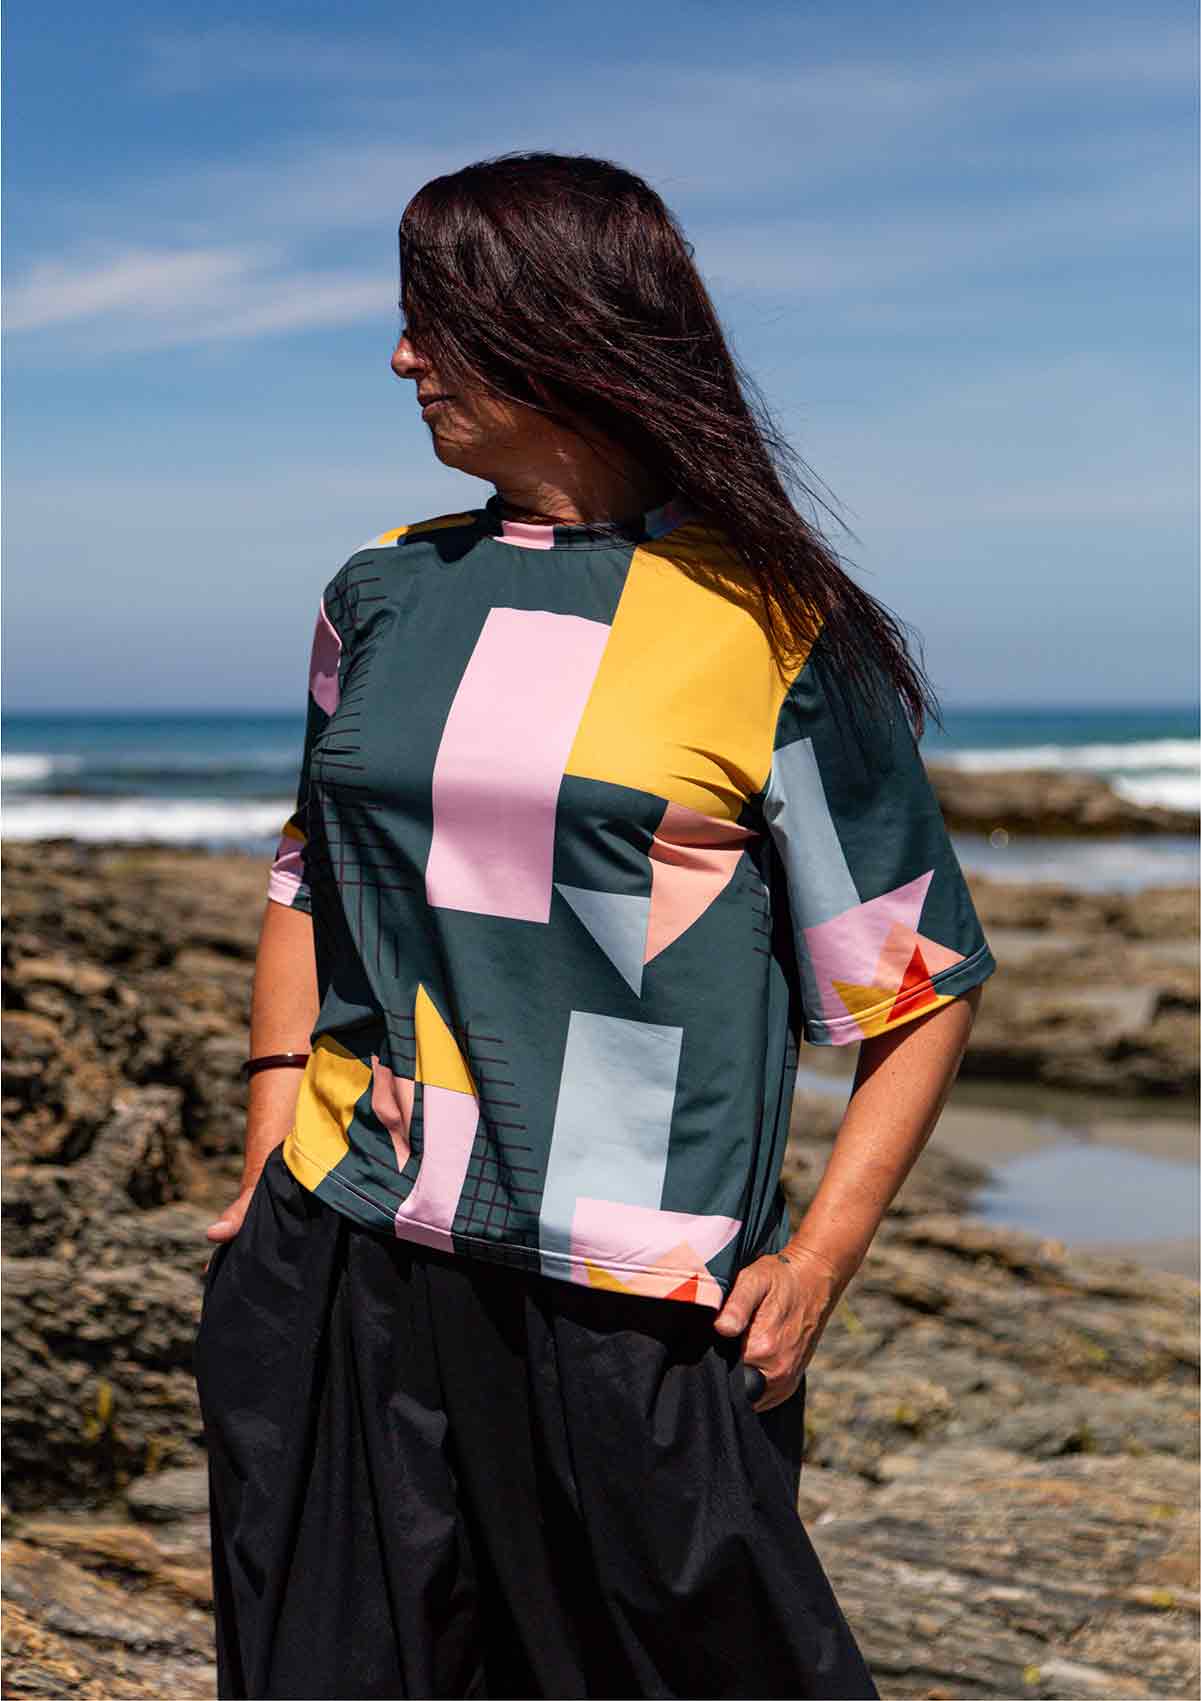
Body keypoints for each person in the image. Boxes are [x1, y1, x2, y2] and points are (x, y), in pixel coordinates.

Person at [193, 150, 996, 1701]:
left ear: (556, 327)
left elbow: (912, 975)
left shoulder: (770, 620)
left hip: (628, 1300)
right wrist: (270, 1127)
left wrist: (819, 1258)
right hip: (345, 1247)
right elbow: (307, 871)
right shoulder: (380, 590)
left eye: (434, 316)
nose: (401, 353)